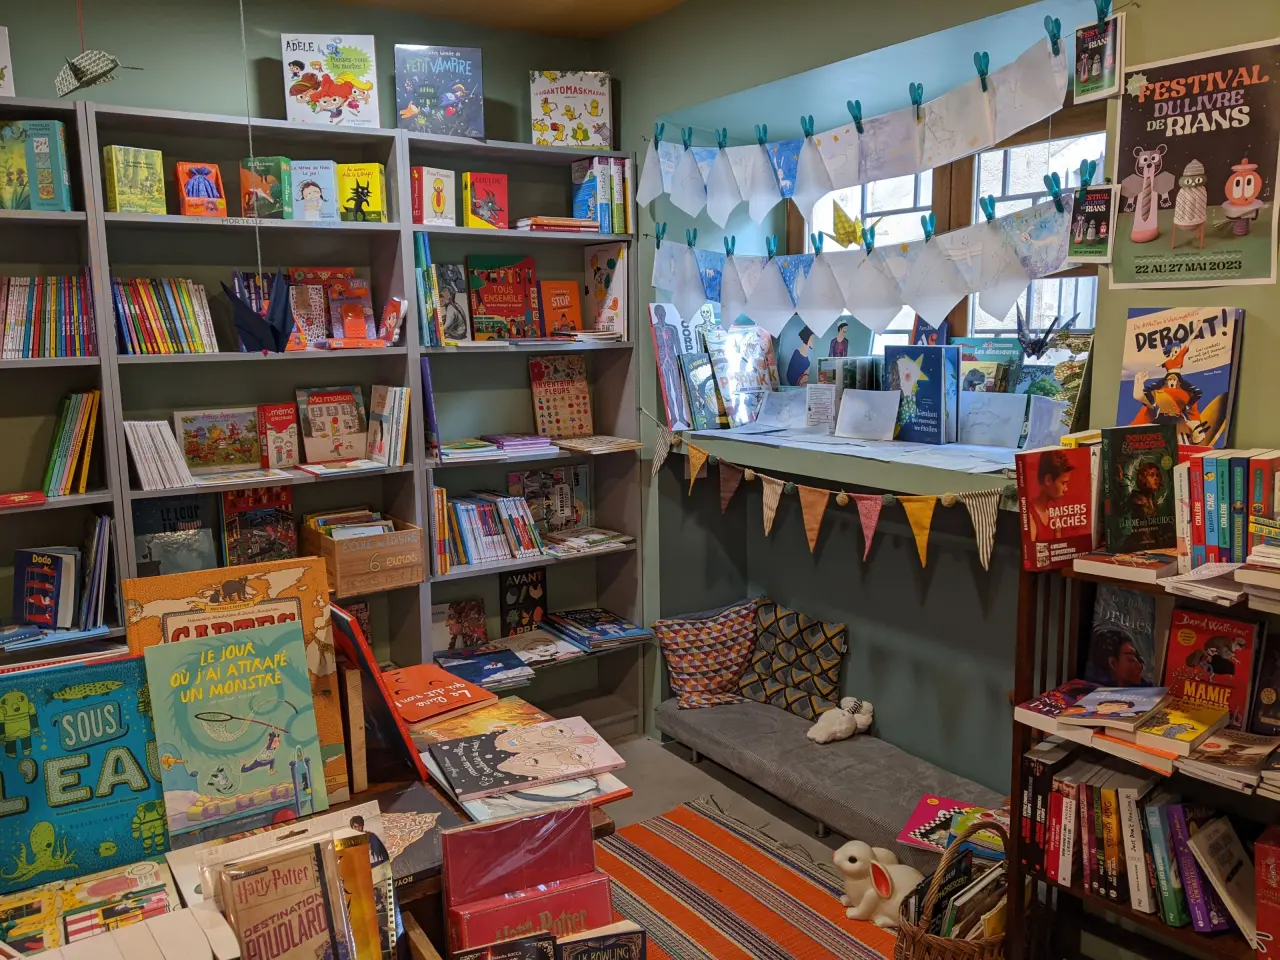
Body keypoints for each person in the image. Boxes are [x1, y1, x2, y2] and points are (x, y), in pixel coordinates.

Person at [1028, 450, 1074, 540]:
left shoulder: (1054, 515)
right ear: (1048, 480)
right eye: (1063, 483)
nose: (1066, 489)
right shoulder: (1030, 517)